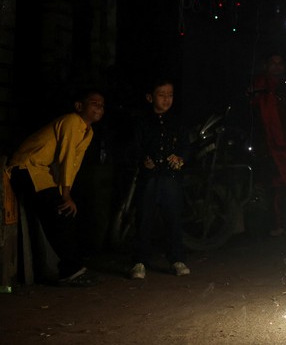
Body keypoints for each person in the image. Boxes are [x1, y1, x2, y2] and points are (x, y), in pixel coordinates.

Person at [6, 88, 106, 286]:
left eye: (102, 106)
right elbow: (66, 159)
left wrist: (65, 195)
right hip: (26, 167)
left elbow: (74, 167)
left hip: (42, 173)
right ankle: (71, 270)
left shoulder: (88, 132)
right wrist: (66, 195)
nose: (99, 108)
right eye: (94, 103)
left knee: (65, 210)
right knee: (58, 211)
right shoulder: (71, 121)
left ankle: (73, 268)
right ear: (79, 106)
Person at [129, 79, 190, 279]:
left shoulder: (177, 121)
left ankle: (176, 259)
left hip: (171, 177)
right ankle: (140, 261)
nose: (166, 99)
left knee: (173, 217)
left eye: (170, 95)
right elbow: (134, 147)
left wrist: (180, 158)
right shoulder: (142, 121)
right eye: (161, 95)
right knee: (144, 218)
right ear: (150, 97)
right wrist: (143, 160)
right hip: (149, 177)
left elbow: (185, 146)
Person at [250, 54, 286, 236]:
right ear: (266, 65)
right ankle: (278, 225)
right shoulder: (261, 85)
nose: (277, 67)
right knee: (276, 184)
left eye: (280, 63)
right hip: (269, 142)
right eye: (273, 63)